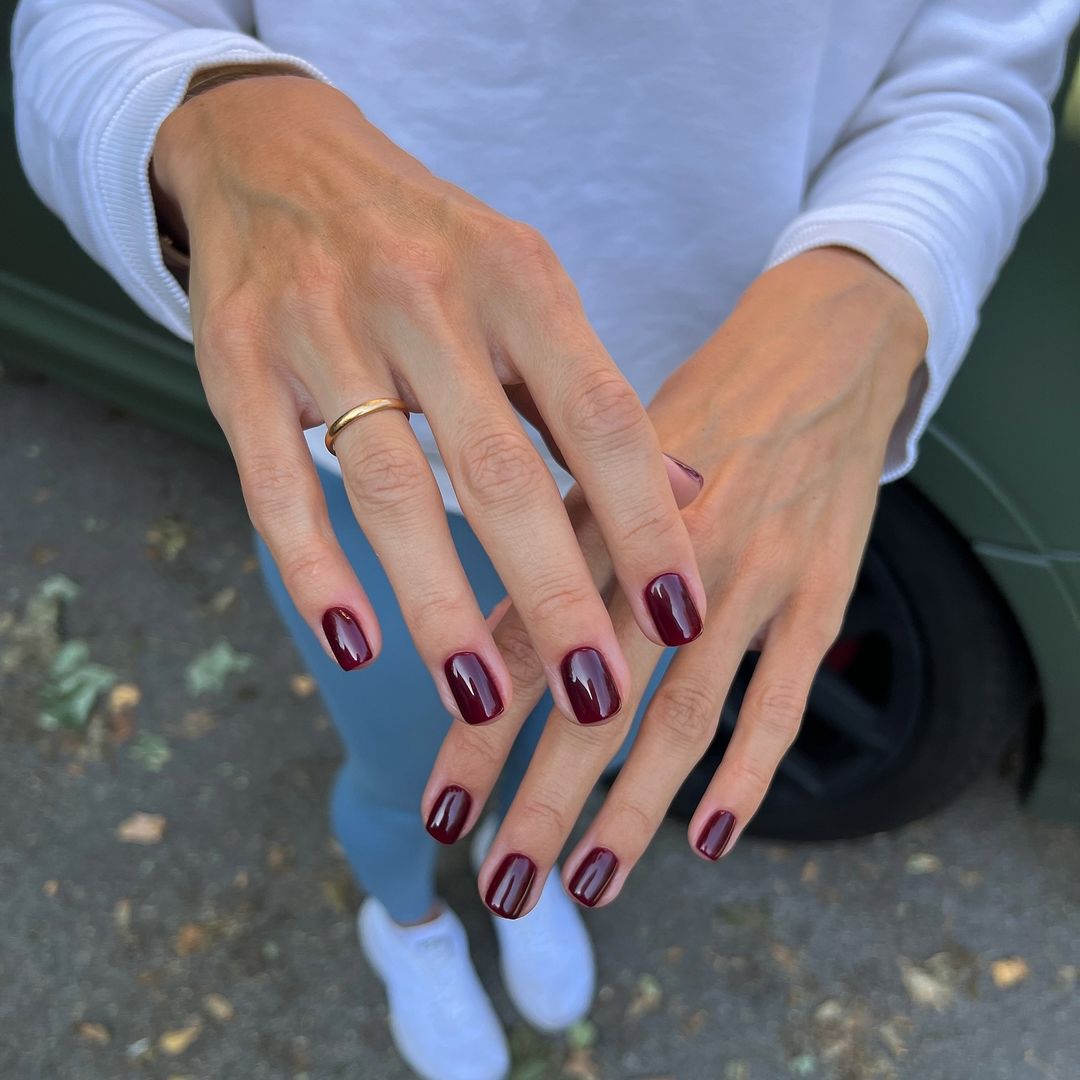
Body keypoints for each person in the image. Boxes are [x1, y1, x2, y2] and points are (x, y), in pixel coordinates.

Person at [13, 3, 1078, 1078]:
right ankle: (410, 925)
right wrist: (220, 120)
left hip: (701, 474)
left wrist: (879, 270)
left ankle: (513, 869)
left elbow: (982, 70)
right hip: (393, 449)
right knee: (404, 771)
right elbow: (79, 27)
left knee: (591, 743)